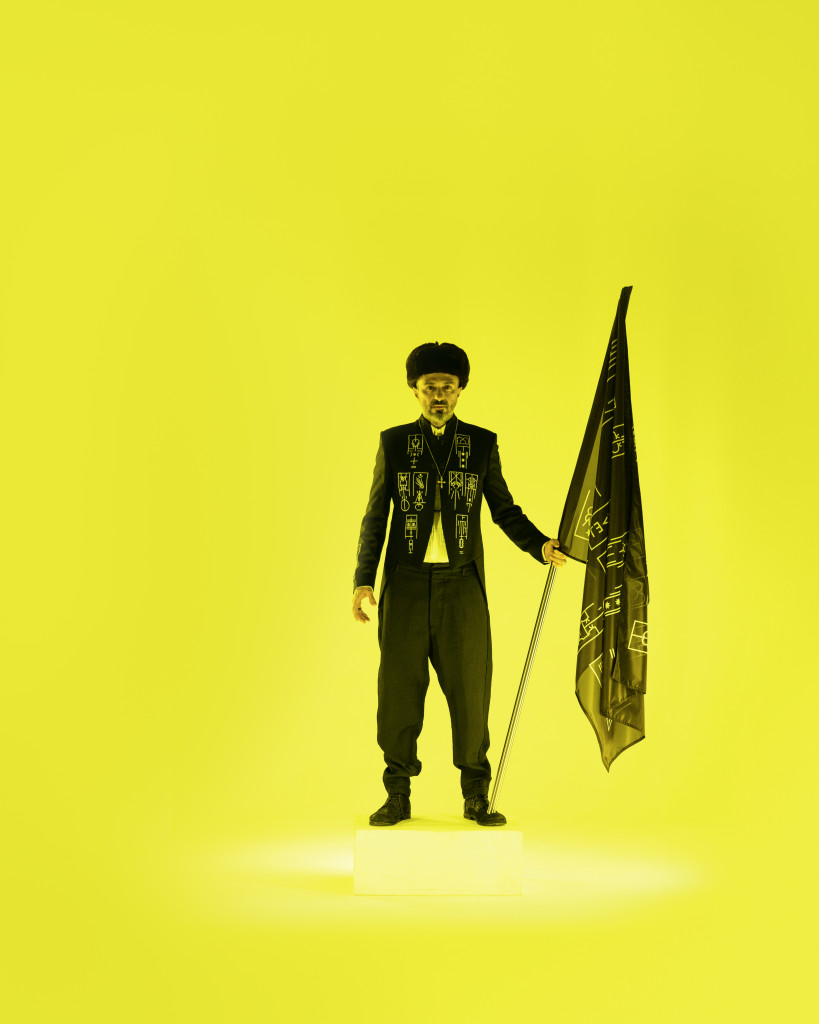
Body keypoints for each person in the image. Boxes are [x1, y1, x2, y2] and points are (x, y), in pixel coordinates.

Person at [352, 342, 565, 827]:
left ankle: (476, 794)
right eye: (430, 387)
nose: (439, 395)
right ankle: (397, 793)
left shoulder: (481, 443)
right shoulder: (394, 442)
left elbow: (504, 509)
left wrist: (539, 545)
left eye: (447, 387)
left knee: (471, 690)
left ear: (460, 389)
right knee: (398, 691)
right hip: (405, 584)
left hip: (462, 584)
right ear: (414, 390)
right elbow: (375, 517)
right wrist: (364, 580)